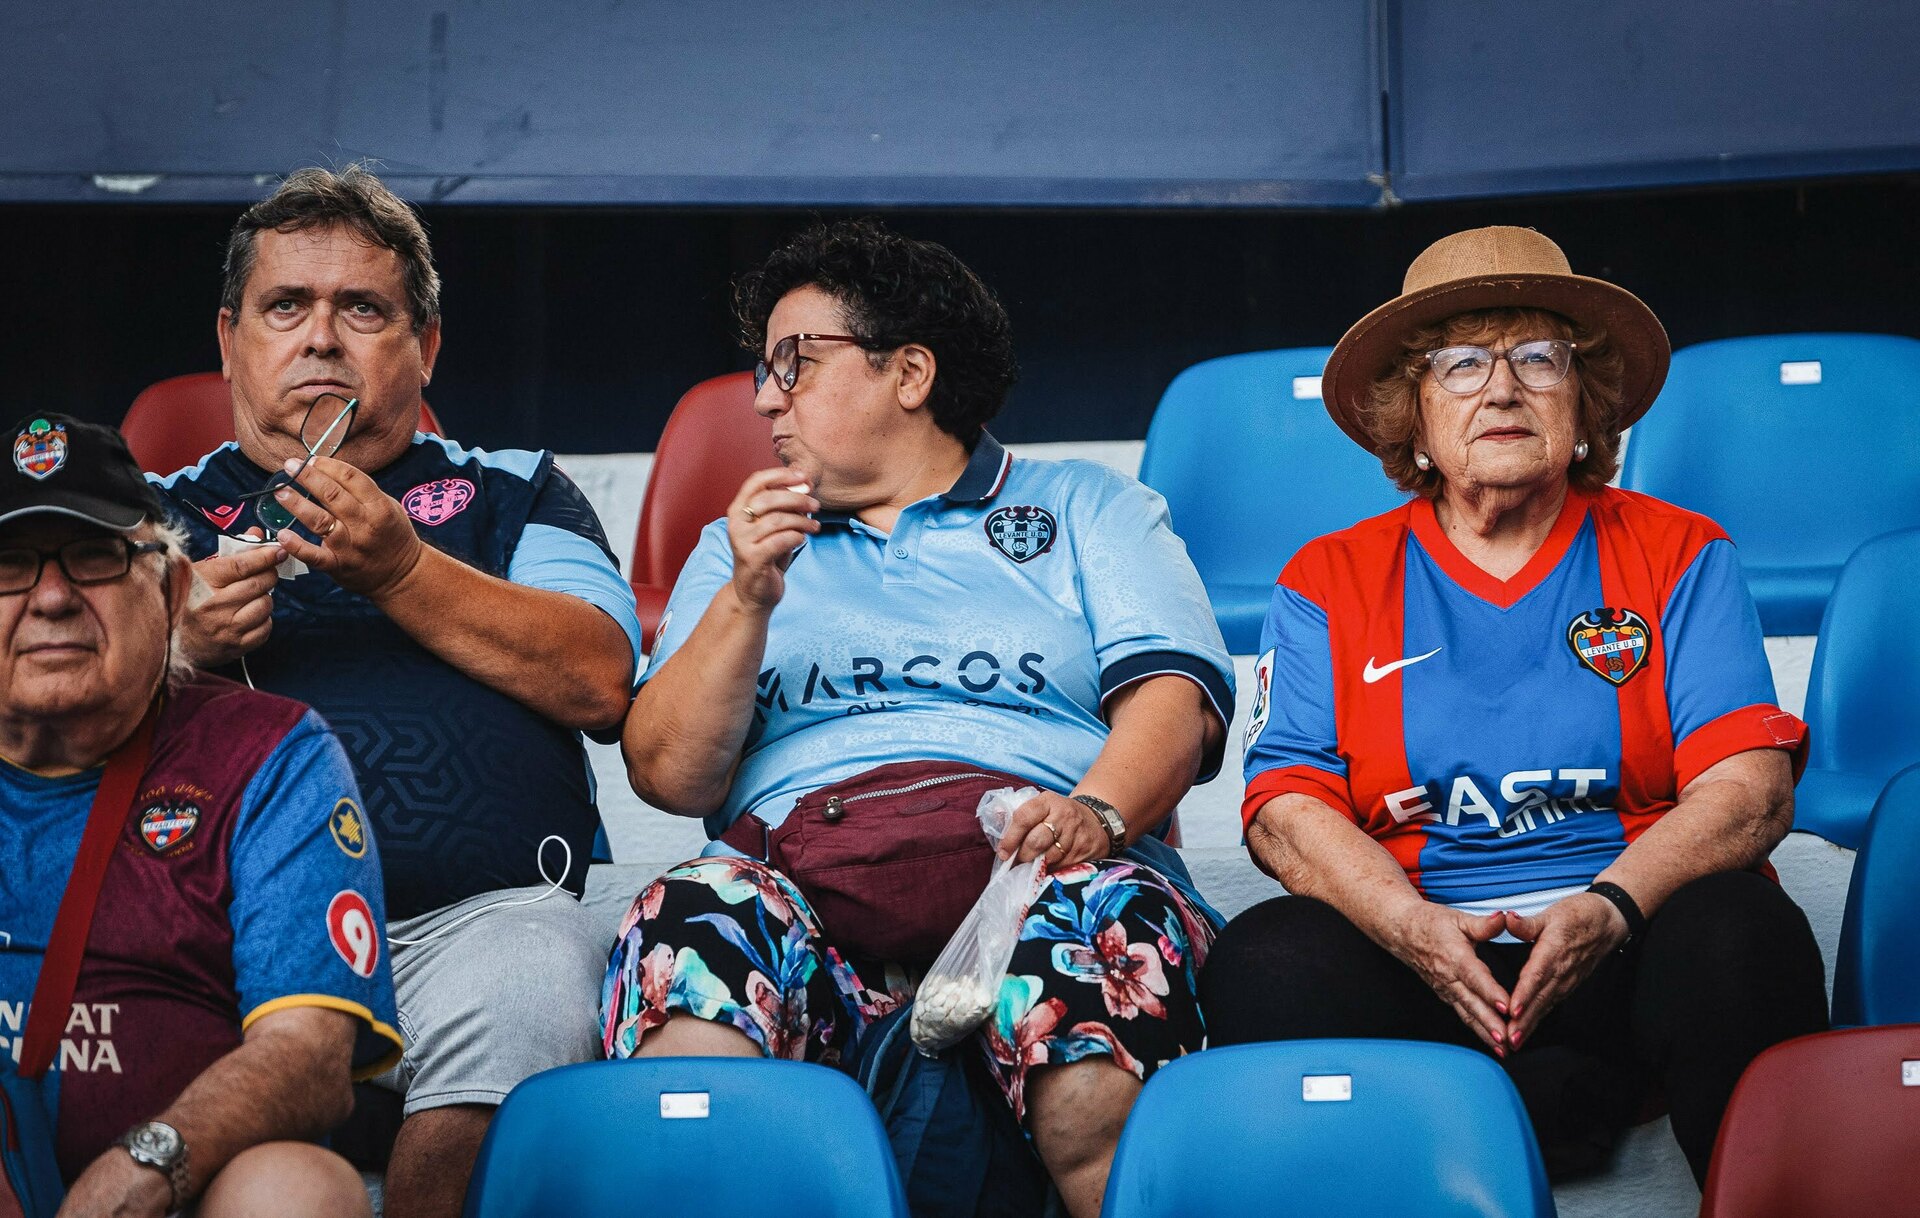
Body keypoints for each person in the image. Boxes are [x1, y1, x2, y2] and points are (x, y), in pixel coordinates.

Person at [605, 219, 1233, 1217]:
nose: (766, 395)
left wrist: (1097, 816)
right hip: (809, 906)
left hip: (1048, 872)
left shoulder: (1089, 508)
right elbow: (670, 777)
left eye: (794, 363)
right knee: (692, 919)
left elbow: (1176, 703)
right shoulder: (740, 551)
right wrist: (747, 595)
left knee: (1094, 948)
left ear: (909, 374)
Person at [1202, 226, 1830, 1182]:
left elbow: (1750, 793)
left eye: (1538, 357)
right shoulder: (1328, 578)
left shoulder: (1679, 550)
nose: (1501, 388)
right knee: (1266, 960)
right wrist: (1413, 931)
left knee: (1743, 935)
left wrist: (1610, 909)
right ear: (1408, 416)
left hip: (1623, 940)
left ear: (1585, 403)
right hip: (1423, 950)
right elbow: (1286, 811)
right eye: (1459, 364)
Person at [149, 166, 642, 1218]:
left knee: (532, 976)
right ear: (232, 340)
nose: (320, 339)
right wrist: (164, 639)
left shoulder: (514, 488)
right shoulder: (146, 513)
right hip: (215, 931)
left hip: (486, 921)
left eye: (361, 309)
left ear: (423, 349)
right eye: (288, 307)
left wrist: (406, 571)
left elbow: (601, 678)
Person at [0, 414, 399, 1218]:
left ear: (173, 589)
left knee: (298, 1191)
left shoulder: (270, 755)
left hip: (182, 1193)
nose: (50, 597)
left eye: (94, 557)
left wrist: (144, 1169)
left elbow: (309, 1058)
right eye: (8, 565)